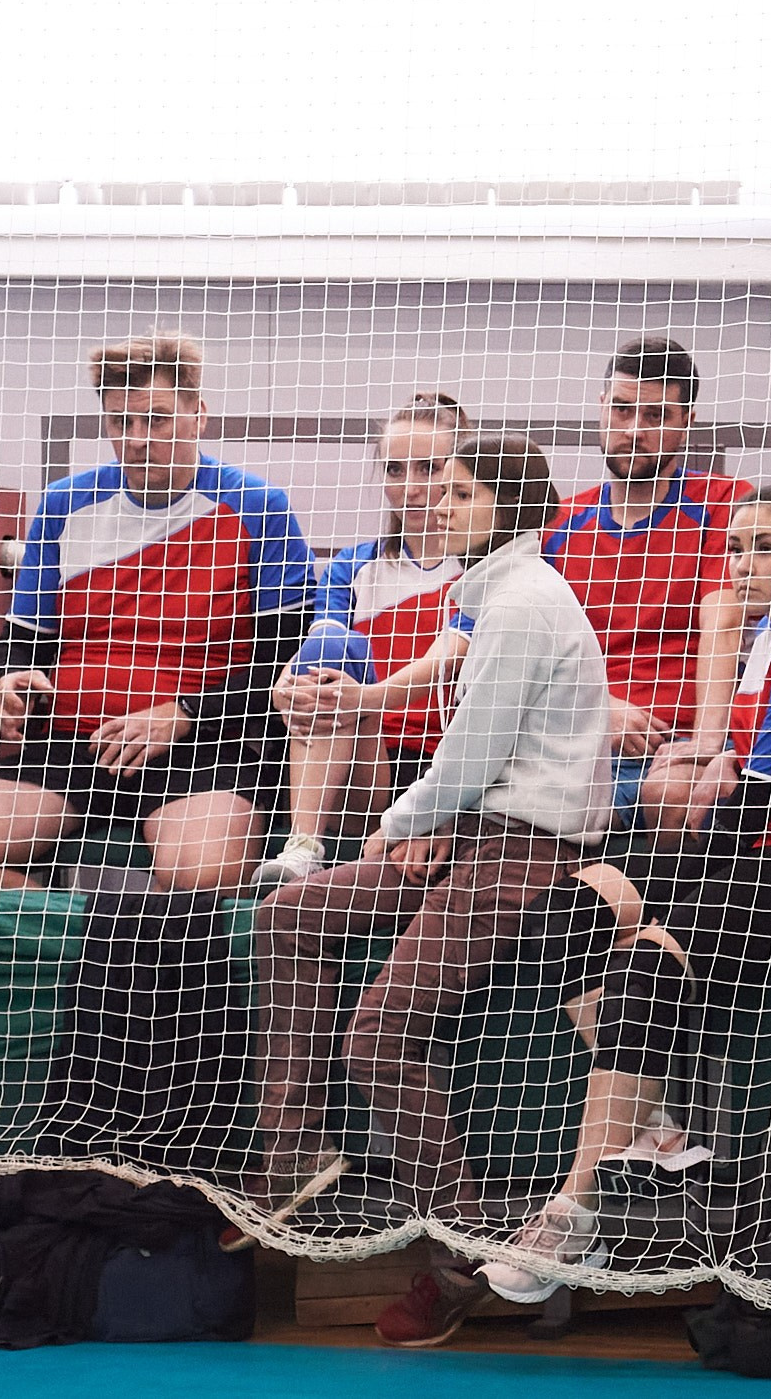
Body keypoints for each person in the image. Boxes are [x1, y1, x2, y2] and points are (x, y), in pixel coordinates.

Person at [375, 477, 771, 1346]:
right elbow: (720, 787)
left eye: (763, 546)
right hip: (743, 839)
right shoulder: (767, 638)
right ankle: (654, 1129)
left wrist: (664, 891)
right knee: (560, 918)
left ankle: (570, 1209)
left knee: (646, 963)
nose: (740, 563)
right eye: (734, 547)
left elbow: (755, 807)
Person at [240, 432, 610, 1246]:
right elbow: (470, 771)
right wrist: (433, 823)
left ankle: (463, 1243)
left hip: (526, 850)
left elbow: (468, 758)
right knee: (285, 915)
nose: (437, 505)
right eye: (437, 490)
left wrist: (392, 826)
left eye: (460, 493)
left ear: (507, 508)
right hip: (473, 829)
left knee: (375, 1036)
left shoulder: (522, 604)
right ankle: (292, 1150)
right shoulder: (488, 594)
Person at [0, 332, 313, 893]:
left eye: (157, 420)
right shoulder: (65, 505)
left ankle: (118, 955)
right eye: (121, 423)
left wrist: (184, 713)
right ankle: (87, 947)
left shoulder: (261, 508)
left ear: (199, 415)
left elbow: (285, 663)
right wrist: (12, 680)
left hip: (203, 753)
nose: (138, 440)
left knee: (204, 877)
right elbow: (18, 642)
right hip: (71, 749)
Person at [252, 392, 471, 890]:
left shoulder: (487, 570)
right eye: (395, 471)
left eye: (429, 469)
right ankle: (303, 844)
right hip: (363, 763)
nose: (411, 489)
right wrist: (285, 684)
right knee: (326, 655)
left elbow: (453, 663)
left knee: (335, 676)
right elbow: (319, 655)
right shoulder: (351, 569)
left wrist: (358, 696)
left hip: (450, 767)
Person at [544, 337, 751, 835]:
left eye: (657, 415)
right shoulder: (559, 523)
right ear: (601, 406)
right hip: (574, 744)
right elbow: (535, 653)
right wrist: (599, 709)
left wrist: (705, 744)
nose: (634, 431)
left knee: (677, 795)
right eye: (622, 409)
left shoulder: (725, 502)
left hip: (671, 750)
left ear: (687, 422)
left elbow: (722, 625)